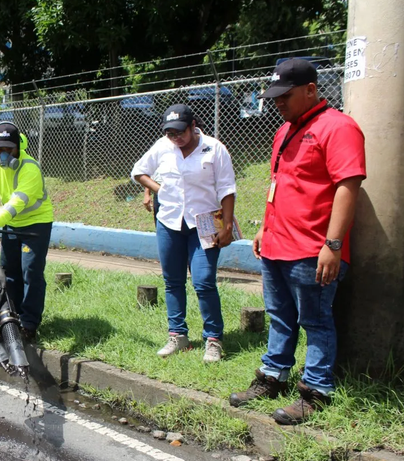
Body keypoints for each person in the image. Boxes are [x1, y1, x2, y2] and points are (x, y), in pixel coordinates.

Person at [229, 58, 366, 425]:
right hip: (277, 245)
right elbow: (280, 182)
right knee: (280, 318)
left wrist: (333, 245)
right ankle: (274, 377)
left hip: (312, 250)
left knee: (316, 321)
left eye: (285, 96)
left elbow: (347, 186)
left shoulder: (338, 128)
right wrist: (264, 227)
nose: (278, 103)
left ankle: (317, 390)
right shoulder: (284, 130)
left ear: (311, 90)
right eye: (274, 97)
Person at [131, 104, 237, 363]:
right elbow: (138, 171)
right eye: (169, 133)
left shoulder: (214, 148)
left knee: (203, 281)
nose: (175, 137)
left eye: (180, 132)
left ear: (193, 126)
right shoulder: (163, 147)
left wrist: (226, 226)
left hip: (206, 222)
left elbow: (227, 188)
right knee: (173, 281)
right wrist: (159, 189)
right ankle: (178, 336)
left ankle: (213, 339)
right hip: (169, 222)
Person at [0, 122, 54, 342]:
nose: (4, 153)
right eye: (0, 149)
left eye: (9, 148)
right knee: (9, 273)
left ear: (19, 146)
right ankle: (11, 318)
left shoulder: (30, 168)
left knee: (31, 273)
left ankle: (29, 324)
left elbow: (18, 202)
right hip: (12, 225)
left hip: (35, 225)